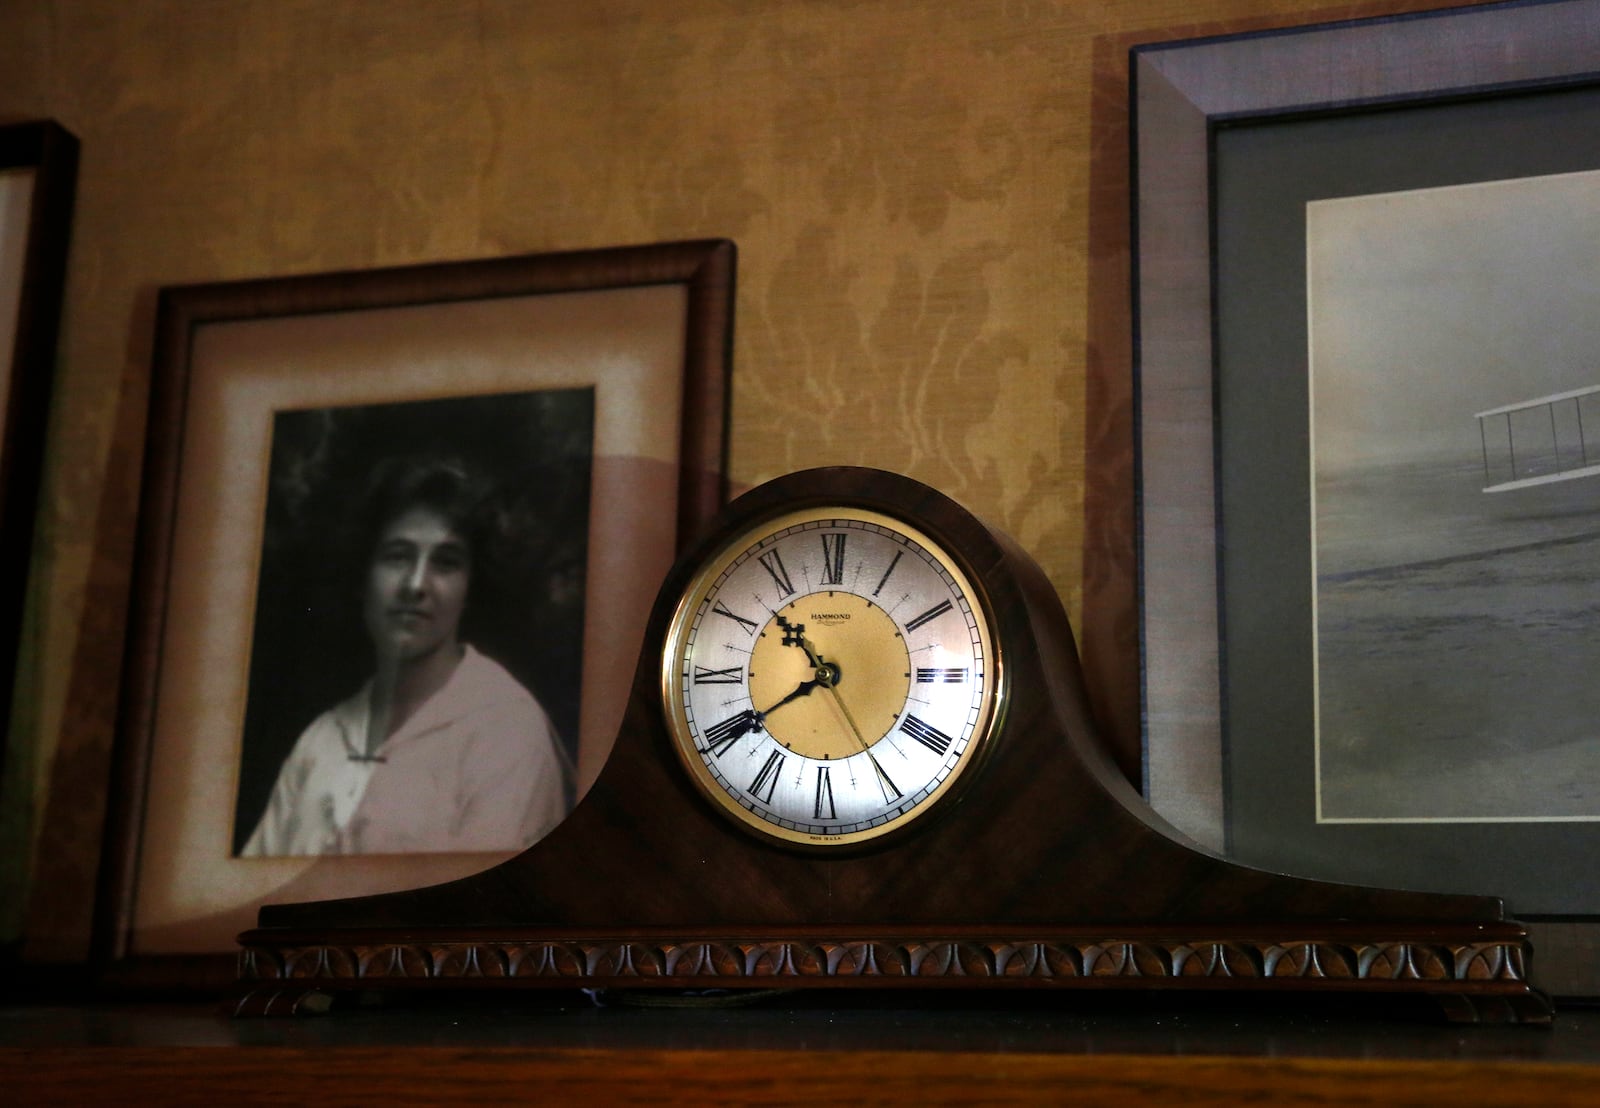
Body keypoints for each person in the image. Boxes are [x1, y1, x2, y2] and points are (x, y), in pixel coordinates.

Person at [241, 455, 570, 857]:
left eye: (445, 563)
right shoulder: (321, 740)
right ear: (364, 576)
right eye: (397, 556)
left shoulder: (505, 730)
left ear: (471, 589)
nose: (415, 585)